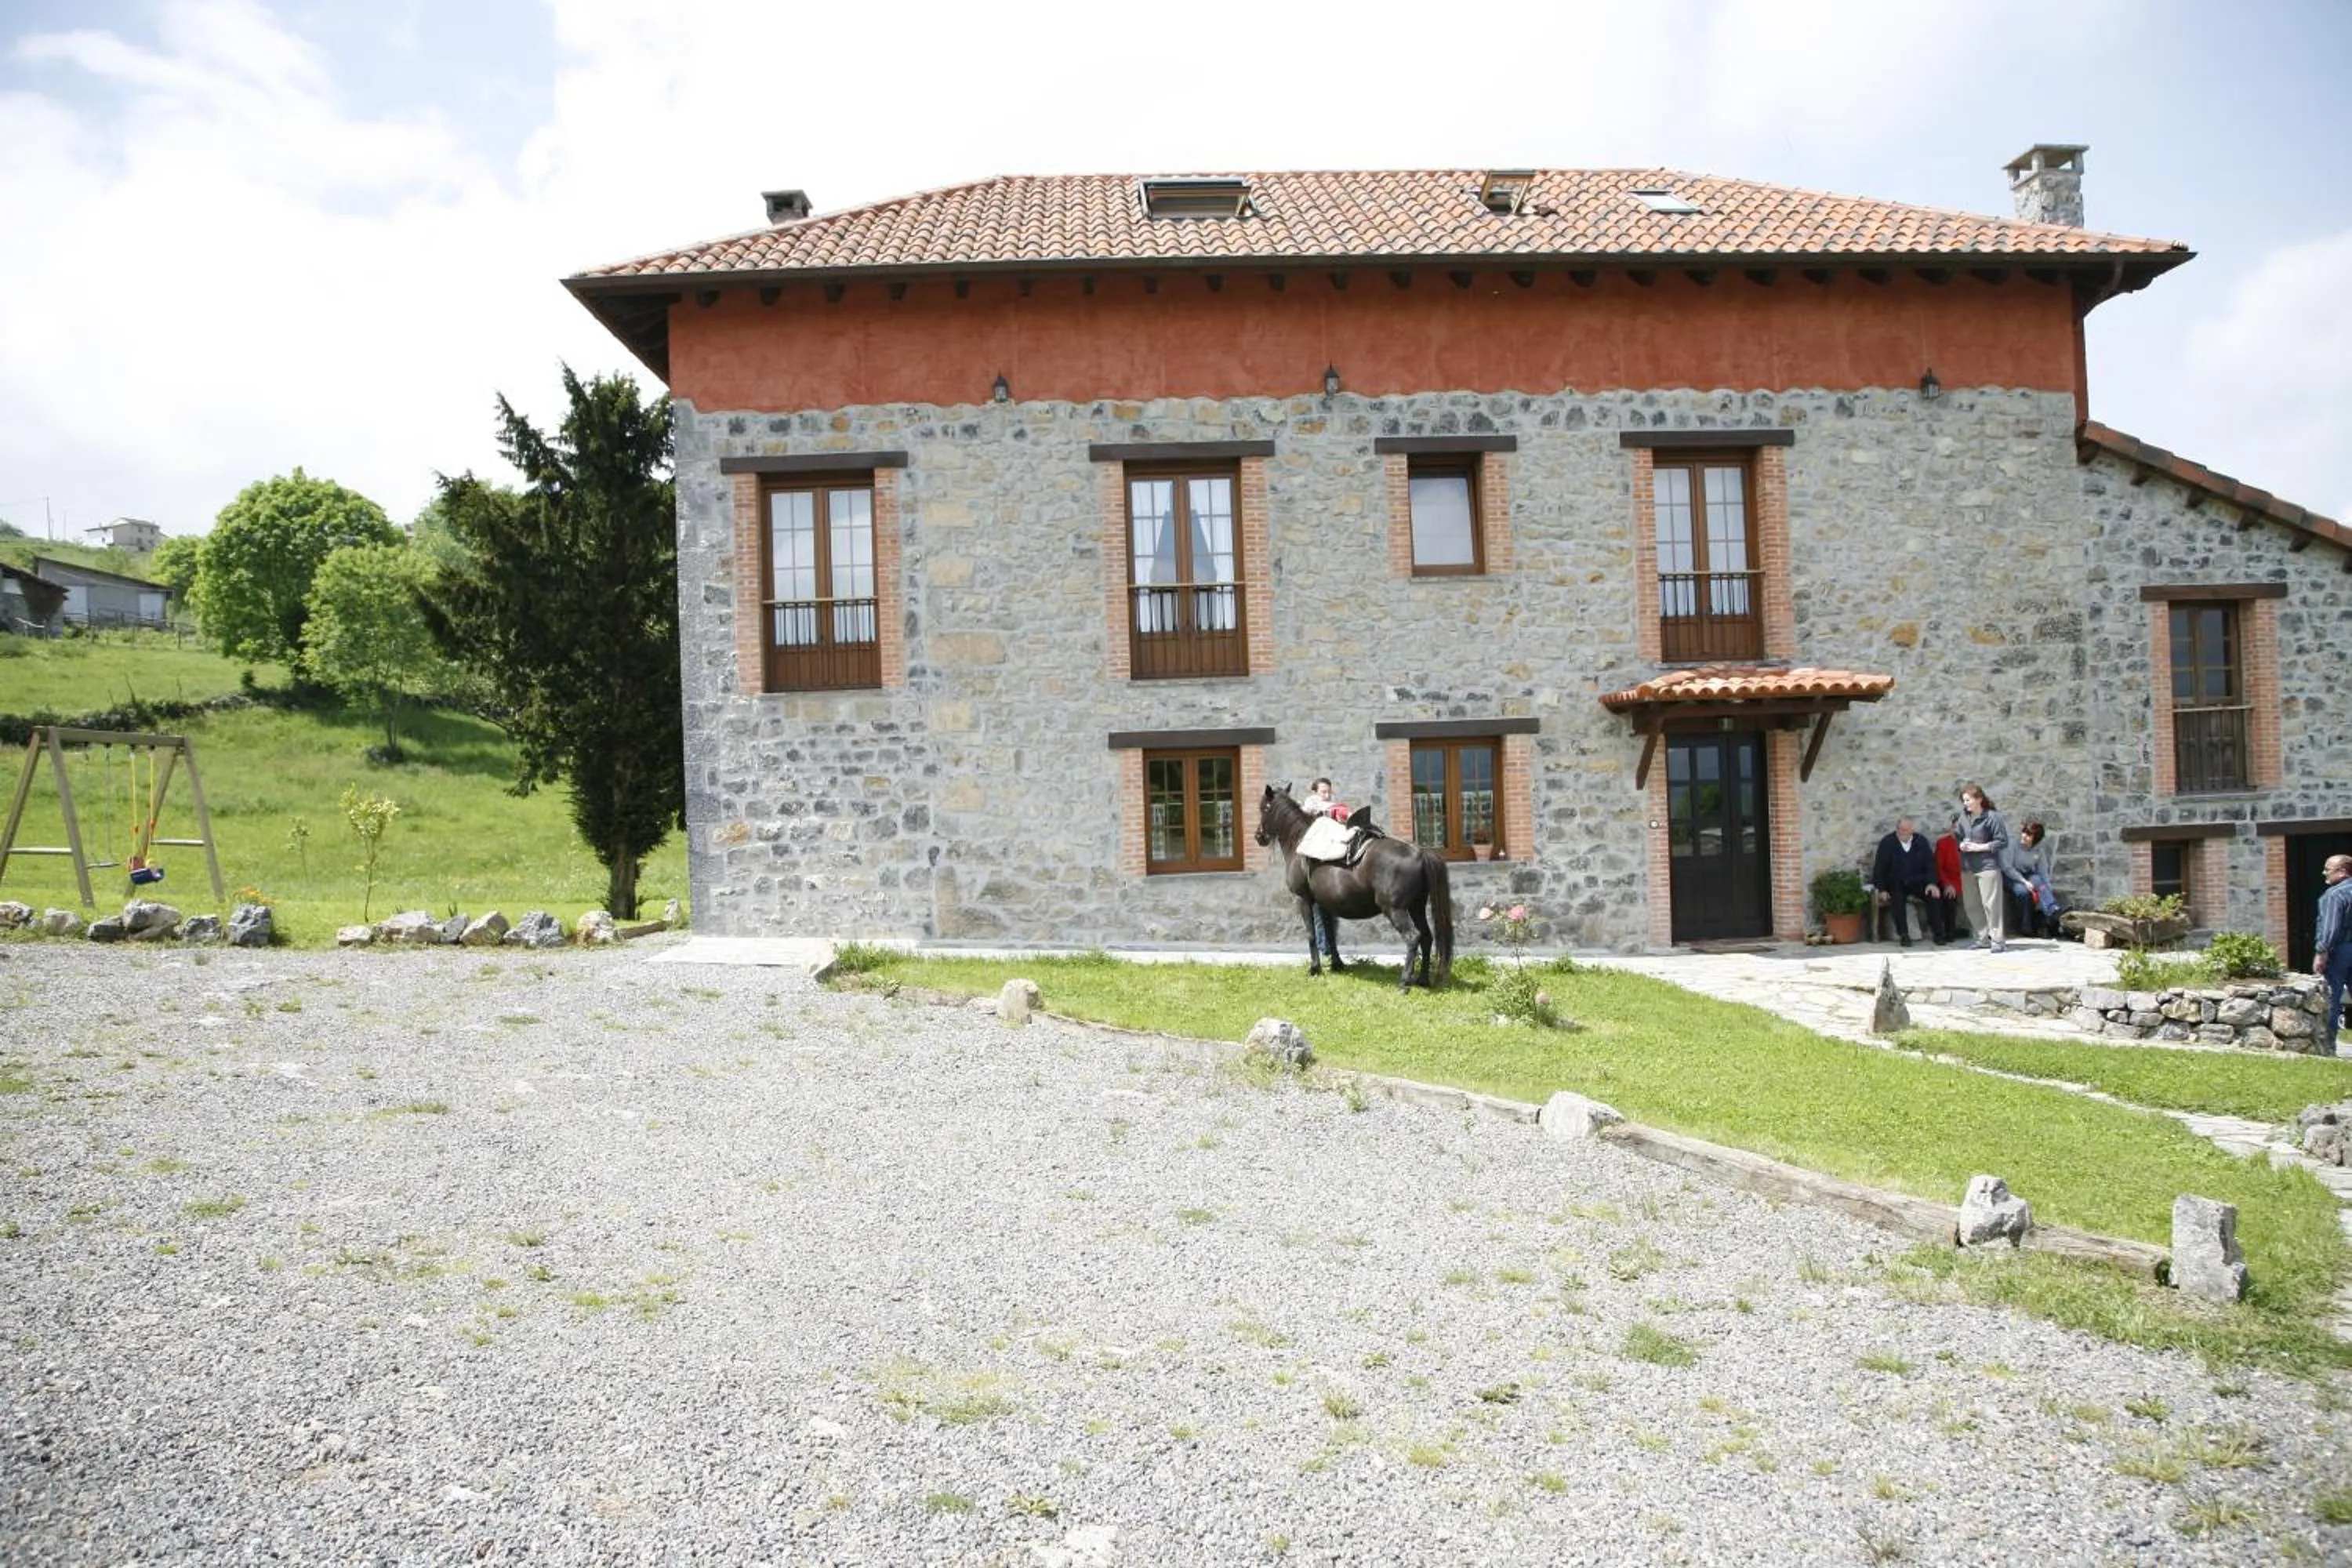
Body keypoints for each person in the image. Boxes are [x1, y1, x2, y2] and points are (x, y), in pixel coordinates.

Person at [1871, 816, 1951, 946]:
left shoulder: (1921, 842)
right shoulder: (1888, 842)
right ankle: (1904, 935)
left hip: (1919, 881)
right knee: (1897, 899)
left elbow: (1931, 865)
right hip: (1897, 882)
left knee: (1933, 896)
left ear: (1912, 830)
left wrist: (1931, 883)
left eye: (1905, 830)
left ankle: (1939, 934)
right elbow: (1879, 869)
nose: (1902, 832)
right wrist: (1882, 889)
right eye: (1900, 829)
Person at [1953, 783, 2012, 953]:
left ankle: (1998, 940)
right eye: (1964, 801)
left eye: (1968, 800)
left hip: (1987, 867)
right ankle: (1982, 938)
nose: (1966, 804)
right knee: (1971, 905)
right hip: (1968, 867)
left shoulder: (1993, 817)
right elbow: (1958, 836)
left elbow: (2003, 841)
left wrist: (1981, 847)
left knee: (1991, 905)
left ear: (1979, 799)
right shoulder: (1963, 817)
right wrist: (1962, 845)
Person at [2314, 854, 2352, 1057]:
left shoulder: (2334, 895)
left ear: (2342, 871)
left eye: (2328, 869)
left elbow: (2330, 928)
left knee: (2332, 998)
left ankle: (2329, 1046)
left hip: (2341, 951)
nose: (2324, 872)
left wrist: (2322, 952)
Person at [2003, 819, 2063, 938]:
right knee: (2023, 892)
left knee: (2037, 879)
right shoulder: (2013, 845)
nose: (2024, 836)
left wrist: (2047, 890)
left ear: (2035, 838)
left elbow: (2043, 873)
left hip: (2027, 875)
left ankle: (2052, 909)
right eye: (2024, 832)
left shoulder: (2039, 851)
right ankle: (2026, 926)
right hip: (2010, 876)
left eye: (2028, 834)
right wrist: (2024, 882)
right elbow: (2008, 868)